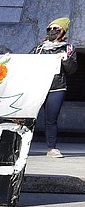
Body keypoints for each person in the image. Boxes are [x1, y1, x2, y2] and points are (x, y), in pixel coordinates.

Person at [30, 17, 77, 158]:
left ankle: (51, 148)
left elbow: (72, 70)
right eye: (50, 28)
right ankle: (20, 145)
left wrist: (66, 60)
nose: (52, 31)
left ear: (63, 31)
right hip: (37, 86)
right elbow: (27, 64)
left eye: (56, 29)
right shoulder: (39, 48)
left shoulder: (68, 48)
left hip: (57, 87)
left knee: (51, 119)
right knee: (28, 117)